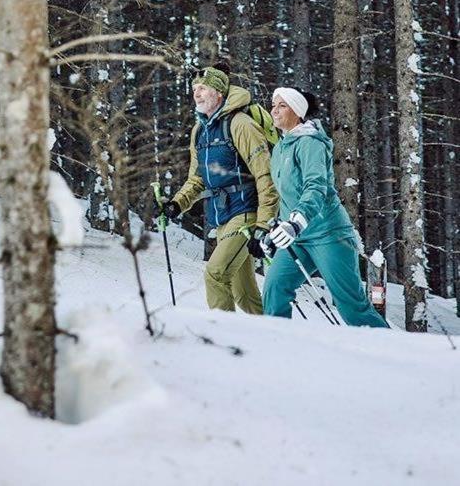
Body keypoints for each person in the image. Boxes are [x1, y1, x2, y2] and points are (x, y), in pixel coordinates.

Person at [259, 86, 388, 328]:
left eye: (282, 105)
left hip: (329, 234)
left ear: (297, 111)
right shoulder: (280, 147)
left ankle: (395, 354)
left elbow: (315, 186)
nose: (274, 110)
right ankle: (277, 349)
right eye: (273, 105)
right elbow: (286, 195)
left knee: (351, 305)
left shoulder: (310, 143)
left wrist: (296, 222)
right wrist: (274, 231)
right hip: (297, 238)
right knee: (275, 288)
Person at [159, 64, 279, 314]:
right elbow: (197, 179)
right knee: (244, 294)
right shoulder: (199, 131)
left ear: (219, 94)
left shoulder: (241, 124)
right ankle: (277, 341)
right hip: (222, 217)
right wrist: (177, 204)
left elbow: (266, 176)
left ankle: (223, 342)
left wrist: (264, 224)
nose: (197, 93)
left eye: (203, 88)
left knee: (215, 275)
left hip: (246, 213)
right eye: (194, 88)